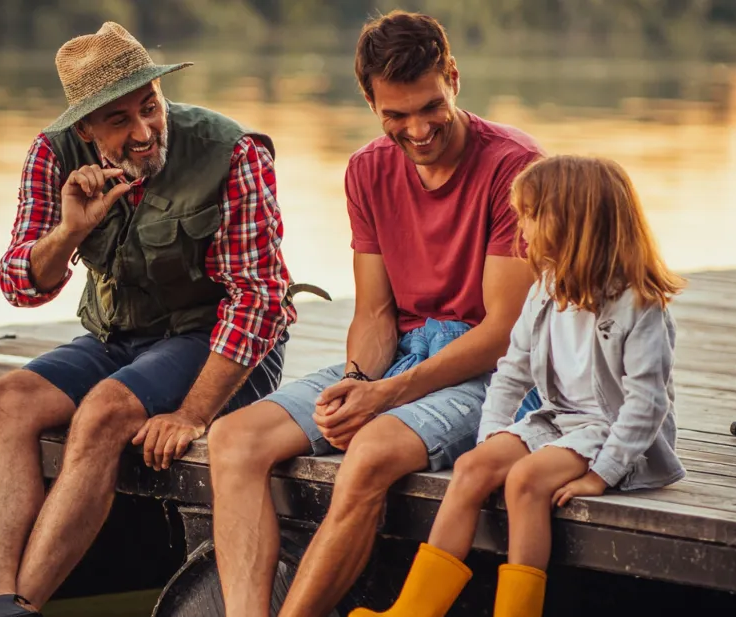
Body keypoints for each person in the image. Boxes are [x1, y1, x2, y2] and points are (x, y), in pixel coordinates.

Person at [0, 22, 306, 616]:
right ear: (85, 129)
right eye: (119, 120)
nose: (143, 132)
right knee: (5, 401)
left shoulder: (232, 151)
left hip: (220, 343)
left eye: (151, 108)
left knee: (104, 412)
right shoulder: (52, 153)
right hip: (118, 338)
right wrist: (70, 231)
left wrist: (193, 413)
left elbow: (259, 302)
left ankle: (22, 608)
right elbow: (20, 285)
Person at [205, 11, 546, 617]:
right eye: (396, 115)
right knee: (233, 439)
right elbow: (375, 314)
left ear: (454, 78)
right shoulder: (366, 169)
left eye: (430, 106)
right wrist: (358, 381)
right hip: (407, 356)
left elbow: (504, 334)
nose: (417, 129)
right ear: (370, 102)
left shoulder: (516, 166)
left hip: (498, 374)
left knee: (368, 452)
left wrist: (384, 396)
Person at [349, 154, 688, 617]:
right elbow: (512, 370)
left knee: (526, 481)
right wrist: (492, 437)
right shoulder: (546, 289)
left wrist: (602, 474)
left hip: (615, 434)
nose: (520, 228)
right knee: (471, 468)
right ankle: (413, 610)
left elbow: (646, 406)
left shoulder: (638, 304)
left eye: (528, 215)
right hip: (558, 422)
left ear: (570, 222)